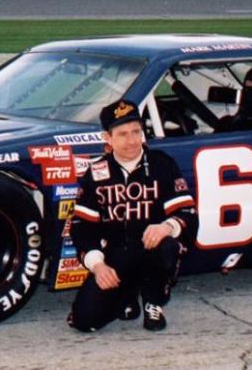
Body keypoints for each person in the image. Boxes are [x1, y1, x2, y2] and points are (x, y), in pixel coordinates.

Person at [68, 99, 197, 332]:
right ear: (107, 138)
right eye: (123, 134)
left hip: (152, 250)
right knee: (83, 321)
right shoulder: (96, 172)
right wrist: (98, 266)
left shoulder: (161, 164)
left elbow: (187, 213)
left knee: (167, 246)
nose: (132, 141)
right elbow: (81, 228)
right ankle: (127, 292)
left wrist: (167, 227)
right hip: (116, 257)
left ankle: (153, 300)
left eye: (136, 132)